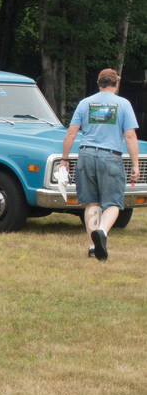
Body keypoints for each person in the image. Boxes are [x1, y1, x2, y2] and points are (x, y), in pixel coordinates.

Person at [59, 68, 139, 261]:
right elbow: (129, 135)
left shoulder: (85, 104)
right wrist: (135, 164)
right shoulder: (123, 104)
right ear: (116, 83)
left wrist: (64, 159)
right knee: (113, 203)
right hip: (110, 157)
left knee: (91, 203)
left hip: (85, 155)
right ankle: (102, 231)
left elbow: (71, 133)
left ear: (98, 83)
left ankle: (93, 247)